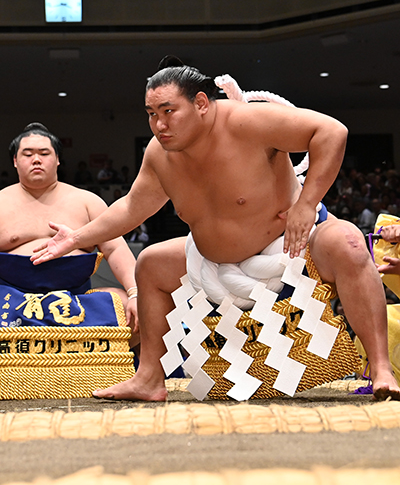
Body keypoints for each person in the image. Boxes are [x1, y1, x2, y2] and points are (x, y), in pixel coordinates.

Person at [31, 58, 400, 402]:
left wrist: (306, 204)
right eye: (151, 114)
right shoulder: (159, 155)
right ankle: (149, 378)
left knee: (349, 241)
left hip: (291, 246)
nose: (159, 125)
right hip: (212, 265)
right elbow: (131, 207)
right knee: (151, 264)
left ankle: (381, 368)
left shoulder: (248, 122)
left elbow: (331, 132)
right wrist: (76, 238)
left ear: (201, 103)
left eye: (169, 111)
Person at [2, 122, 138, 341]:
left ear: (57, 159)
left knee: (128, 305)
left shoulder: (87, 201)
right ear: (15, 161)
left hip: (76, 298)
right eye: (27, 154)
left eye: (44, 153)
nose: (36, 159)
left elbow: (115, 249)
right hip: (10, 300)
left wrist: (135, 292)